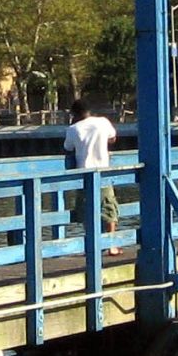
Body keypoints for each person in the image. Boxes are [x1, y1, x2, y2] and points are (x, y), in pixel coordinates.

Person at [62, 97, 120, 249]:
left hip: (84, 173)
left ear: (74, 114)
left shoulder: (73, 129)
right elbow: (112, 138)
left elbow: (68, 148)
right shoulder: (102, 122)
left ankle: (92, 244)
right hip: (103, 170)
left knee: (85, 210)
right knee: (109, 207)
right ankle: (111, 244)